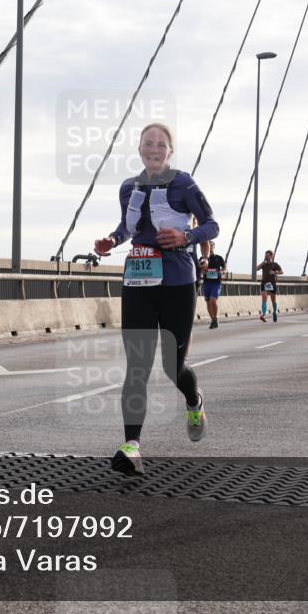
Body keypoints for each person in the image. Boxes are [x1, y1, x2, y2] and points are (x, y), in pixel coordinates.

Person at [94, 123, 218, 476]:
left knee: (171, 366)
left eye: (161, 144)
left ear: (170, 150)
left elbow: (212, 225)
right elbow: (127, 228)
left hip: (177, 280)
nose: (154, 148)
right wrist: (111, 241)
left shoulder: (185, 184)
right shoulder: (127, 187)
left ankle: (193, 400)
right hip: (138, 280)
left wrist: (186, 236)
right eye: (148, 143)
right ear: (139, 148)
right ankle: (131, 445)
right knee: (137, 366)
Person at [199, 240, 226, 329]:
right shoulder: (202, 259)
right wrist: (202, 270)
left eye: (211, 245)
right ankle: (213, 320)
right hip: (206, 283)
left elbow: (225, 268)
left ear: (213, 247)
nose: (210, 247)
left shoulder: (219, 258)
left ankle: (215, 318)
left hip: (216, 283)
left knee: (213, 301)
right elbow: (200, 269)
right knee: (208, 303)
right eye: (208, 245)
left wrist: (222, 271)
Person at [256, 251, 282, 322]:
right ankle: (263, 315)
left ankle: (274, 312)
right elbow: (256, 268)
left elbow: (281, 272)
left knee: (273, 300)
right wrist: (263, 262)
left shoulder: (275, 264)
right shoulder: (264, 264)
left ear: (271, 256)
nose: (266, 257)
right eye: (265, 255)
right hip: (264, 283)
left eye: (267, 256)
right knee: (264, 300)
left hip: (272, 284)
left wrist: (275, 272)